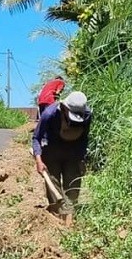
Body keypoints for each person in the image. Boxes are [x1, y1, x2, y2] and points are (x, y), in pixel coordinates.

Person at [31, 91, 92, 226]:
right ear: (64, 108)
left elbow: (84, 138)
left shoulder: (87, 115)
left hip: (73, 151)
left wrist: (82, 158)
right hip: (52, 150)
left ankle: (70, 217)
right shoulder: (50, 114)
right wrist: (39, 160)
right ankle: (56, 218)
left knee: (73, 184)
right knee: (53, 183)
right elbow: (36, 137)